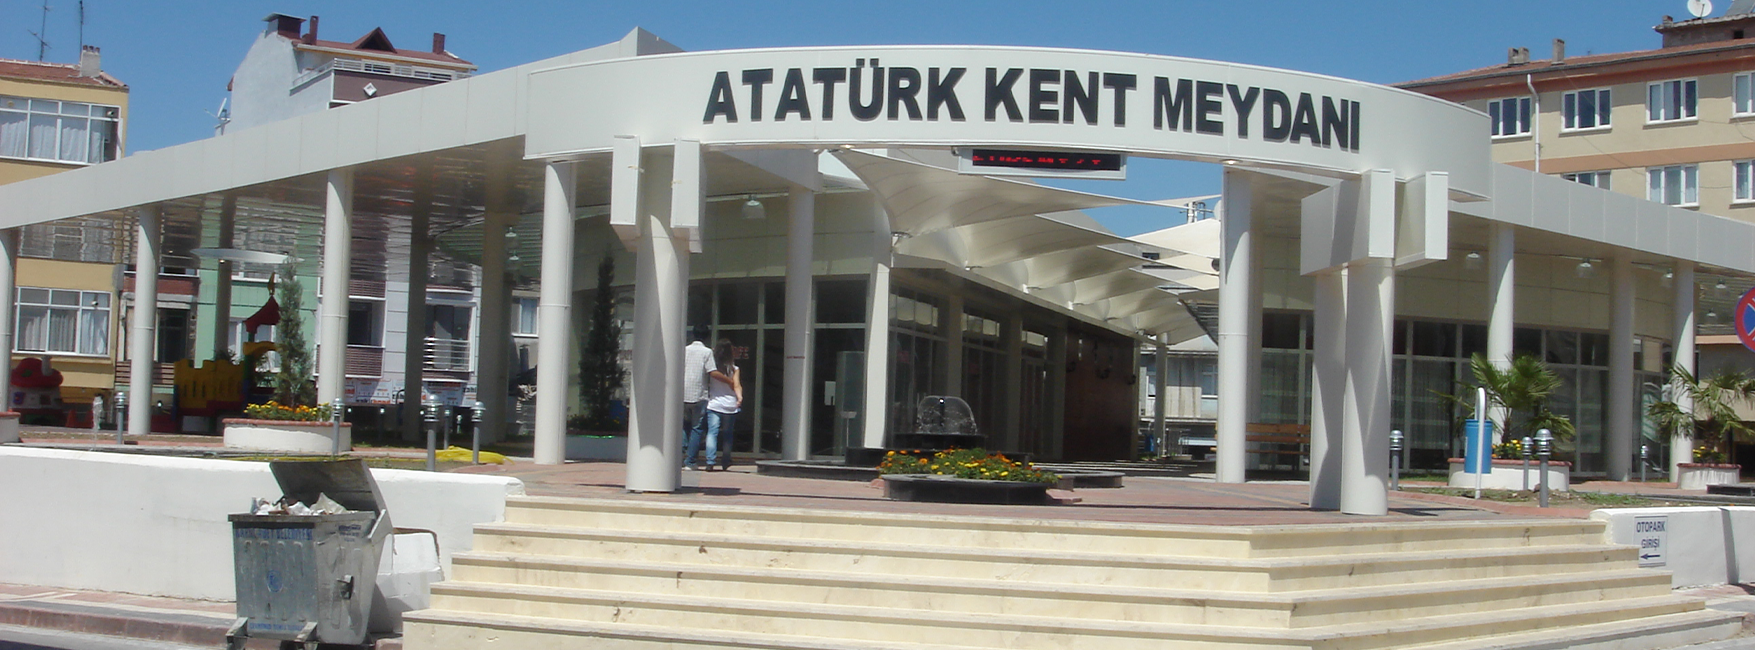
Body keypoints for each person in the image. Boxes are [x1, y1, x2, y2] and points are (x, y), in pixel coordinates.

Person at [704, 338, 742, 471]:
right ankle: (726, 461)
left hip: (714, 404)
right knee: (727, 434)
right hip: (730, 405)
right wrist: (739, 397)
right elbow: (736, 385)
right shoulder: (734, 368)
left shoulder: (713, 368)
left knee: (712, 432)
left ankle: (710, 461)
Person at [680, 331, 716, 470]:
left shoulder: (684, 350)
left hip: (683, 393)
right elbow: (711, 371)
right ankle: (690, 461)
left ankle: (681, 453)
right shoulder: (706, 352)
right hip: (699, 394)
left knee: (683, 426)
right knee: (697, 428)